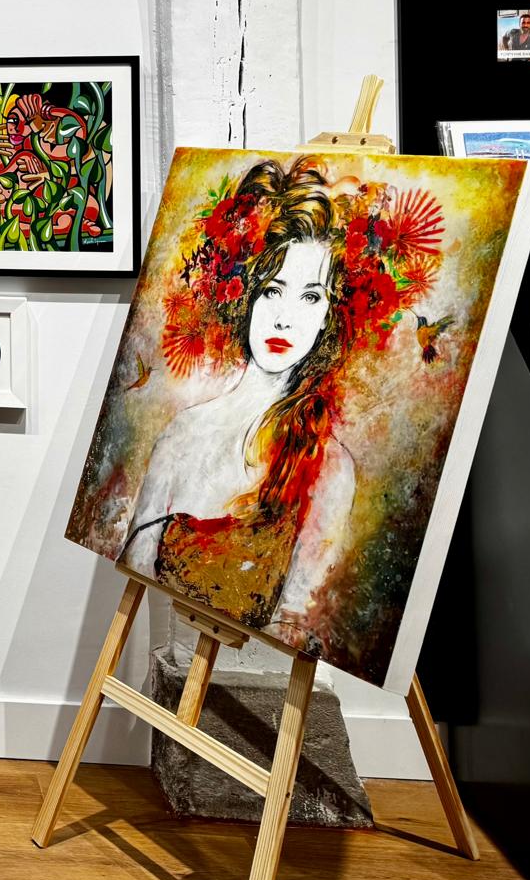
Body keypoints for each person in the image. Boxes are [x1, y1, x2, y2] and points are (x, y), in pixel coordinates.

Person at [118, 156, 437, 637]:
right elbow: (137, 566)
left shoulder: (328, 468)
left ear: (331, 317)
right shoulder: (183, 434)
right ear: (242, 295)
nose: (285, 318)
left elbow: (294, 622)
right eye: (272, 290)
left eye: (310, 297)